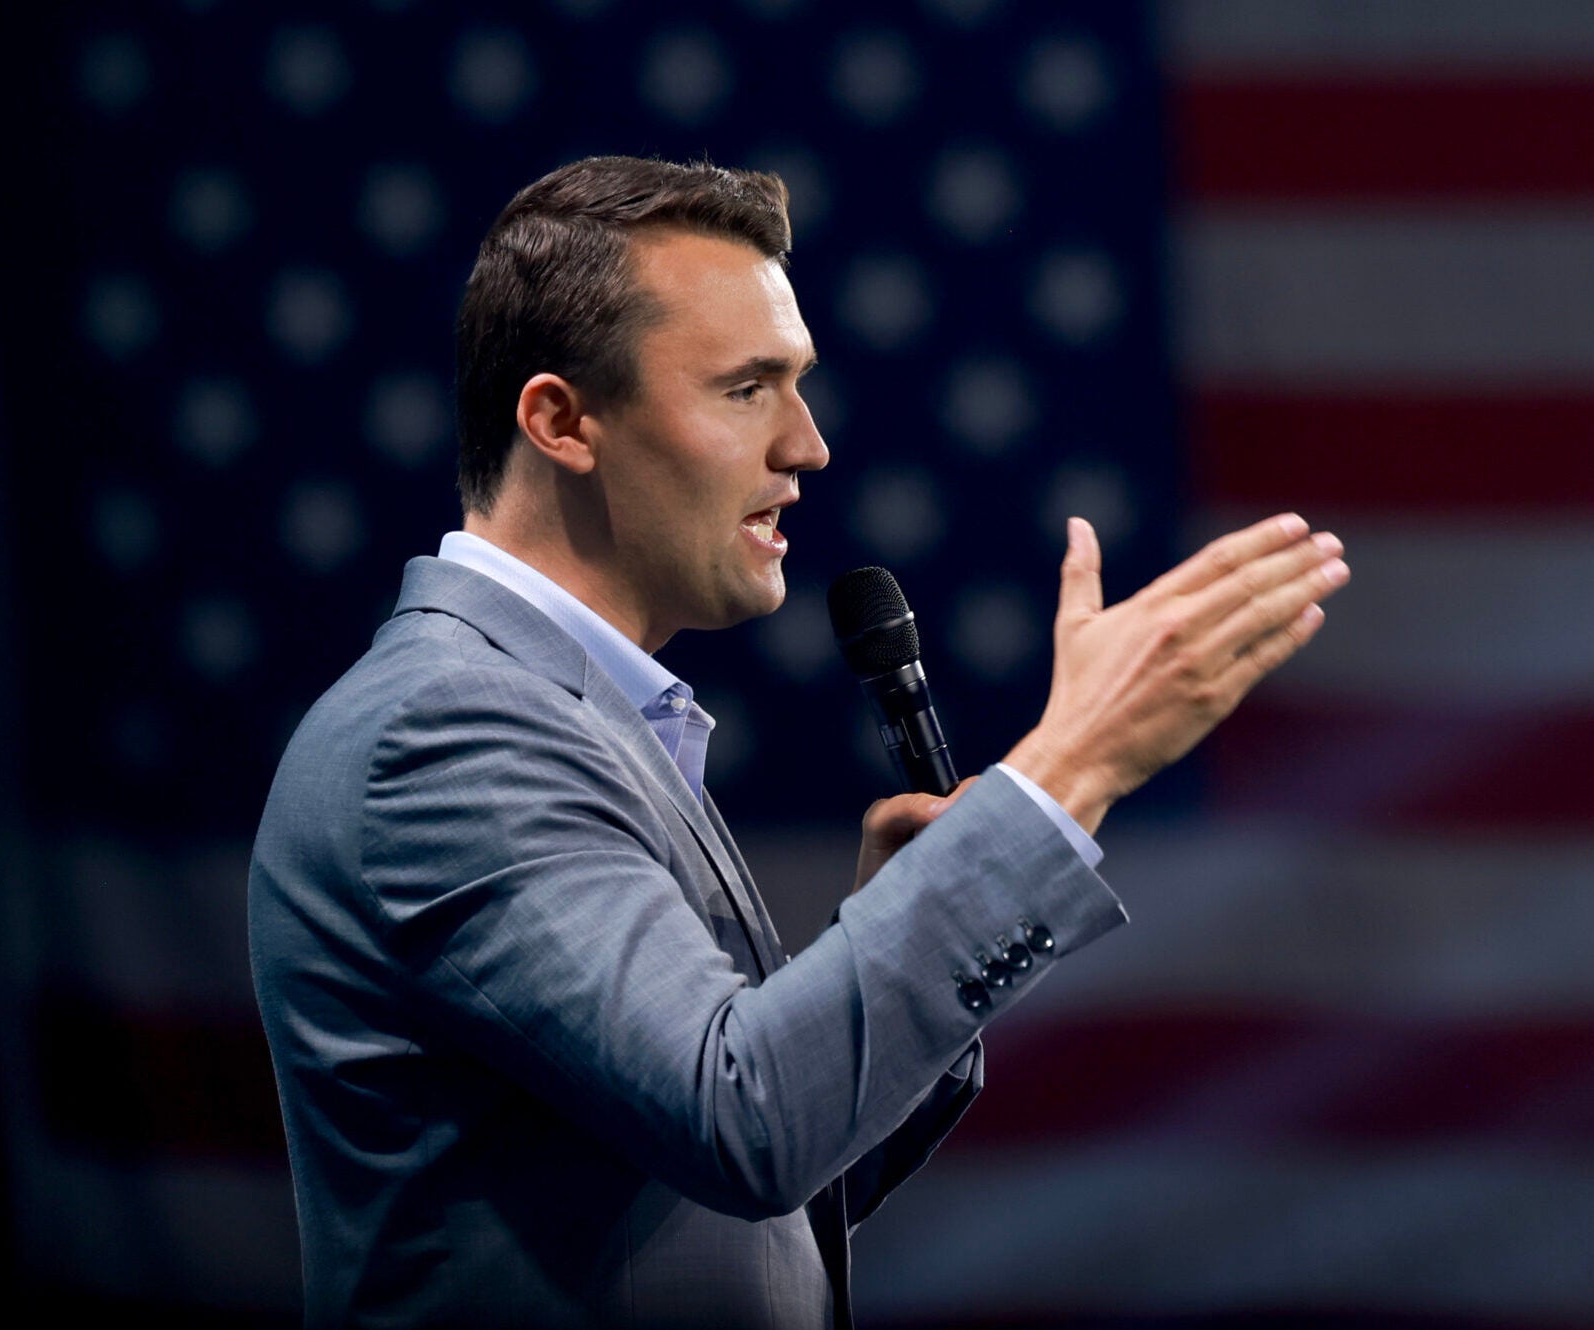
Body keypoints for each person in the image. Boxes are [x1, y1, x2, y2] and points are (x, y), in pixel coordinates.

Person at [248, 156, 1349, 1329]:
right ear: (561, 421)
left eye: (798, 384)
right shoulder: (446, 730)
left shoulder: (571, 718)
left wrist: (902, 915)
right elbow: (749, 1123)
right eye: (745, 389)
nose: (808, 445)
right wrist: (1074, 761)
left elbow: (752, 1207)